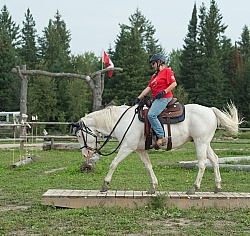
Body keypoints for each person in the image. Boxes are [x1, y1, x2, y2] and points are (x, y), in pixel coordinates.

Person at [132, 53, 177, 147]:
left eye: (153, 63)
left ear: (159, 62)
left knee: (151, 115)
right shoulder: (154, 76)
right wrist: (138, 98)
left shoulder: (167, 71)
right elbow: (148, 88)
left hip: (164, 98)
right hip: (157, 98)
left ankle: (161, 137)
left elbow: (174, 84)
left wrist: (164, 92)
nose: (152, 66)